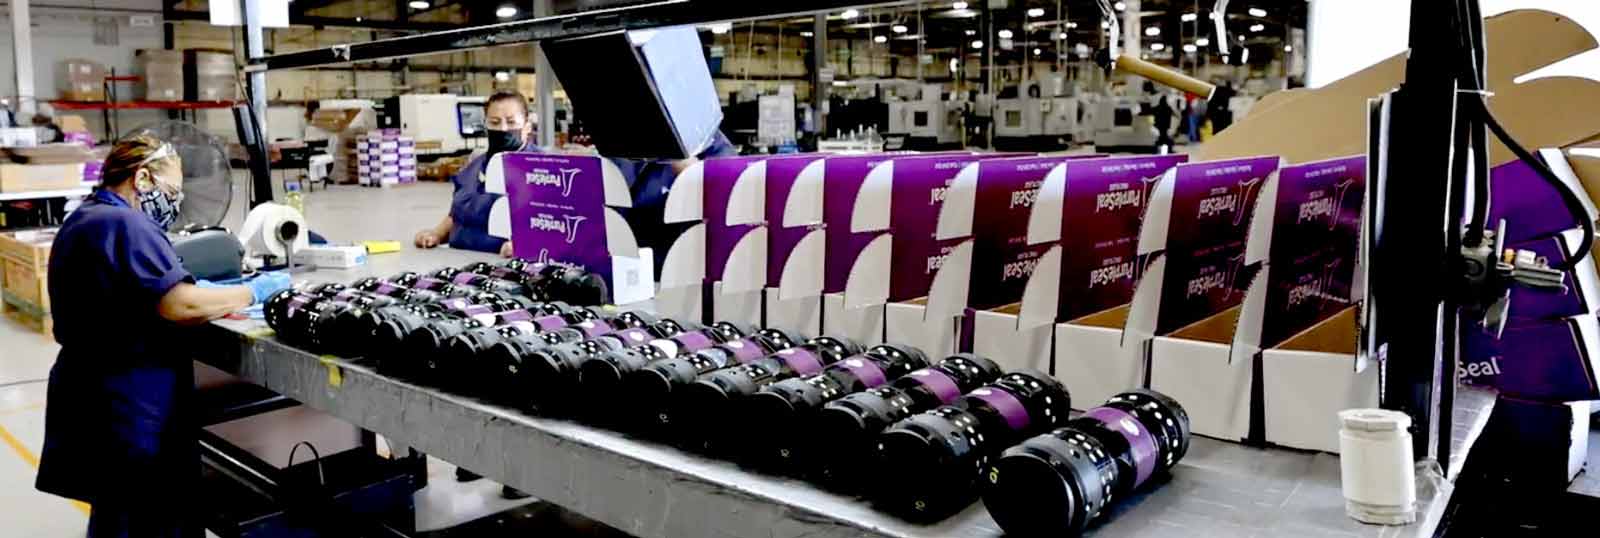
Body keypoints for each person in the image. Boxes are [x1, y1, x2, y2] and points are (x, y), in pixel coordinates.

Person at [36, 134, 292, 537]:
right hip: (129, 401)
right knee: (152, 517)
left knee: (117, 517)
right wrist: (254, 291)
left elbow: (131, 291)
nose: (174, 203)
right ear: (141, 178)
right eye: (171, 192)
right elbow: (179, 305)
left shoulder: (88, 217)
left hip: (94, 393)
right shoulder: (126, 223)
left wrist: (204, 291)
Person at [413, 91, 534, 258]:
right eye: (495, 122)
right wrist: (436, 234)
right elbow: (458, 213)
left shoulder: (541, 171)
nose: (503, 129)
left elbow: (557, 226)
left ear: (527, 127)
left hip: (500, 265)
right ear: (485, 125)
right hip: (458, 260)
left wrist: (527, 244)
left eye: (511, 122)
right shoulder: (474, 167)